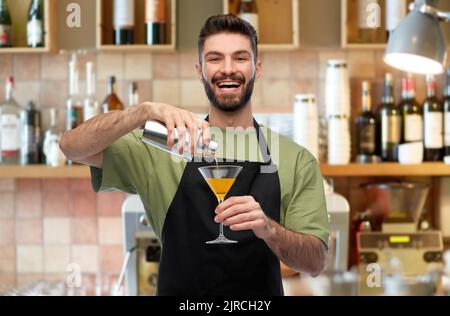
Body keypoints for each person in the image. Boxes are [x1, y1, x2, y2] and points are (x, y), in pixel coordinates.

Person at [60, 14, 329, 296]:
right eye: (214, 59)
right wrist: (142, 112)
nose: (228, 69)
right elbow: (71, 146)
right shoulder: (162, 147)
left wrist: (269, 229)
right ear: (200, 70)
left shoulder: (296, 159)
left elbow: (315, 262)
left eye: (240, 58)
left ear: (256, 68)